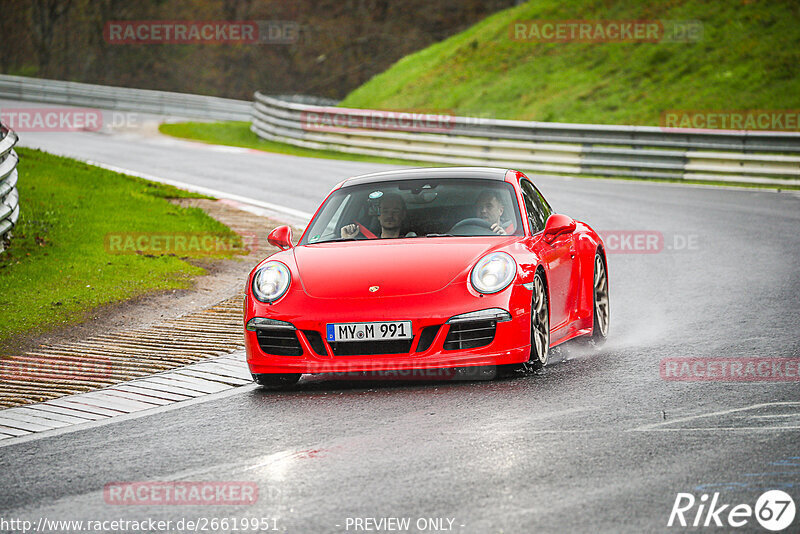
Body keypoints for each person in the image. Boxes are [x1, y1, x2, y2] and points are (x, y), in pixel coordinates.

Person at [340, 193, 415, 239]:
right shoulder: (364, 243)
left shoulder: (414, 241)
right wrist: (347, 240)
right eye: (385, 211)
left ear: (403, 215)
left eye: (395, 211)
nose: (390, 215)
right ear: (378, 215)